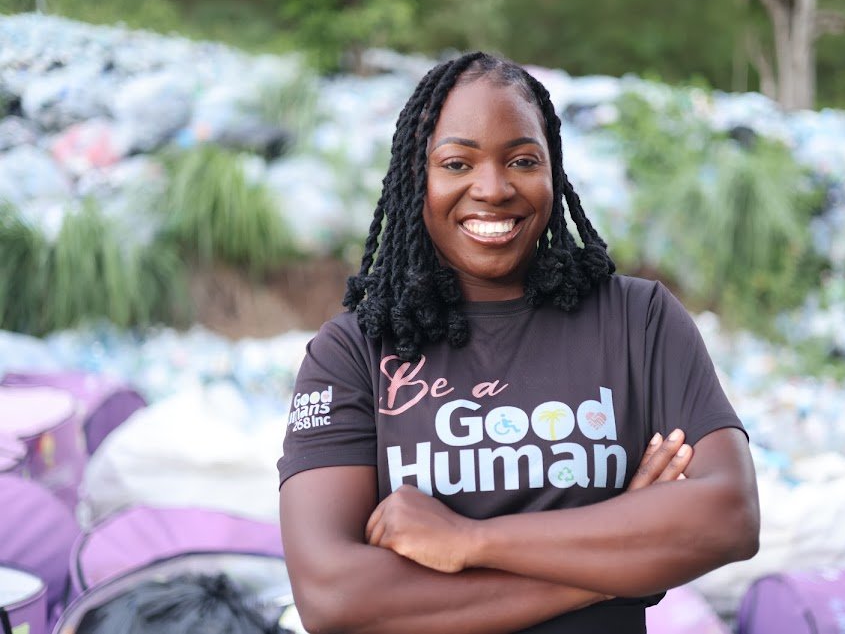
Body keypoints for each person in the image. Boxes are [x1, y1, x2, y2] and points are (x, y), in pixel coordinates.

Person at [278, 51, 760, 634]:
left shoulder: (639, 321)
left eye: (522, 160)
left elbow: (730, 516)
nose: (493, 188)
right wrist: (621, 554)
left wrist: (471, 540)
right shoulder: (355, 351)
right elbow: (333, 597)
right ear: (416, 178)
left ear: (552, 171)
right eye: (457, 163)